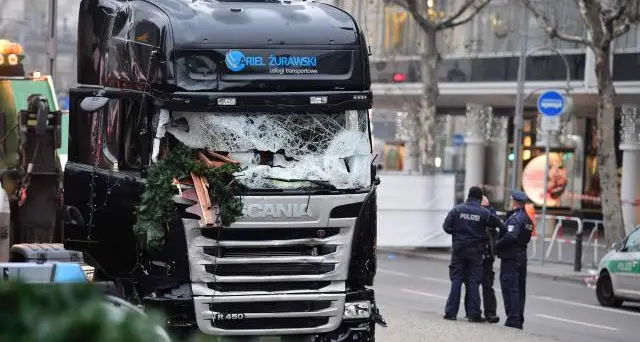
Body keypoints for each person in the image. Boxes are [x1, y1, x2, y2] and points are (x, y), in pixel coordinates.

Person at [442, 187, 504, 322]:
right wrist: (489, 209)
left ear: (468, 196)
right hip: (476, 251)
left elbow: (446, 227)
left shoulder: (457, 209)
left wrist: (458, 235)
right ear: (480, 198)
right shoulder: (484, 213)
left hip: (458, 250)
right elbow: (499, 224)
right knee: (473, 281)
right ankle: (473, 314)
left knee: (456, 279)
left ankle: (450, 313)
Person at [495, 190, 535, 330]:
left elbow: (511, 236)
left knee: (510, 288)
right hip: (521, 257)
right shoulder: (528, 219)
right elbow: (526, 238)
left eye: (512, 200)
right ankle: (518, 318)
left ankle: (513, 320)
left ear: (514, 202)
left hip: (510, 258)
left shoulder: (516, 219)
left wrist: (497, 245)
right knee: (519, 290)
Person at [463, 195, 500, 324]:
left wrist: (488, 208)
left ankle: (490, 313)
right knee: (471, 284)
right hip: (473, 255)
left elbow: (496, 224)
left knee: (487, 285)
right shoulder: (470, 214)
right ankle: (471, 311)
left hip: (486, 256)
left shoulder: (489, 215)